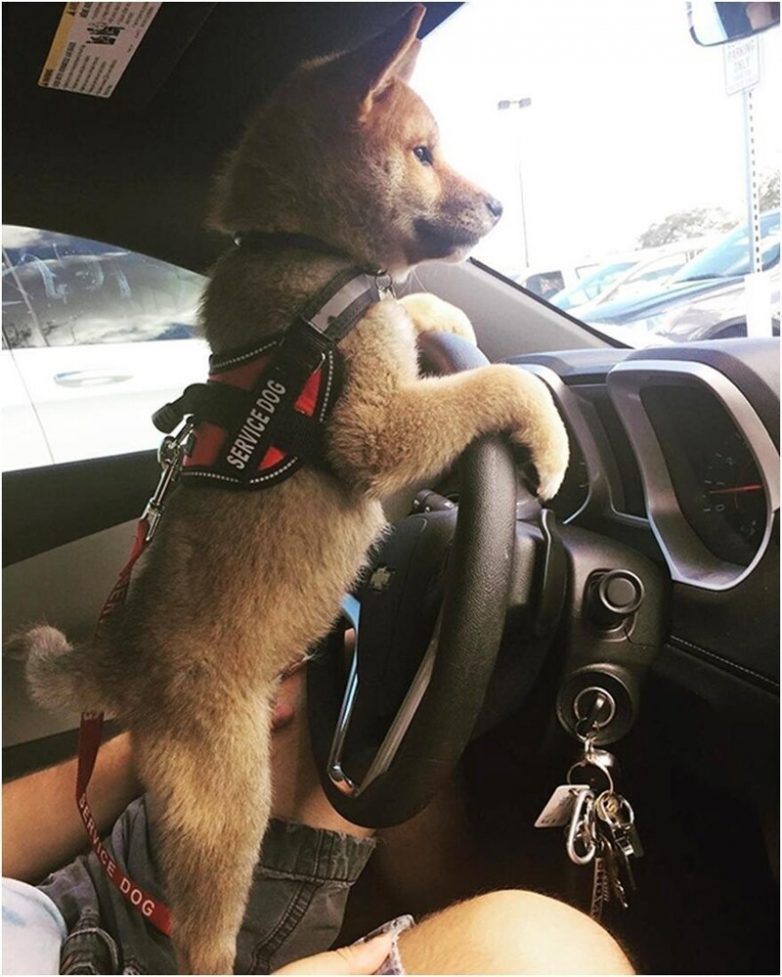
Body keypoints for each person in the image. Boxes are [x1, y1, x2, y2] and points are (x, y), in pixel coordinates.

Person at [3, 665, 634, 975]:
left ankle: (443, 890)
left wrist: (154, 745)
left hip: (64, 907)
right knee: (543, 954)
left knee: (314, 687)